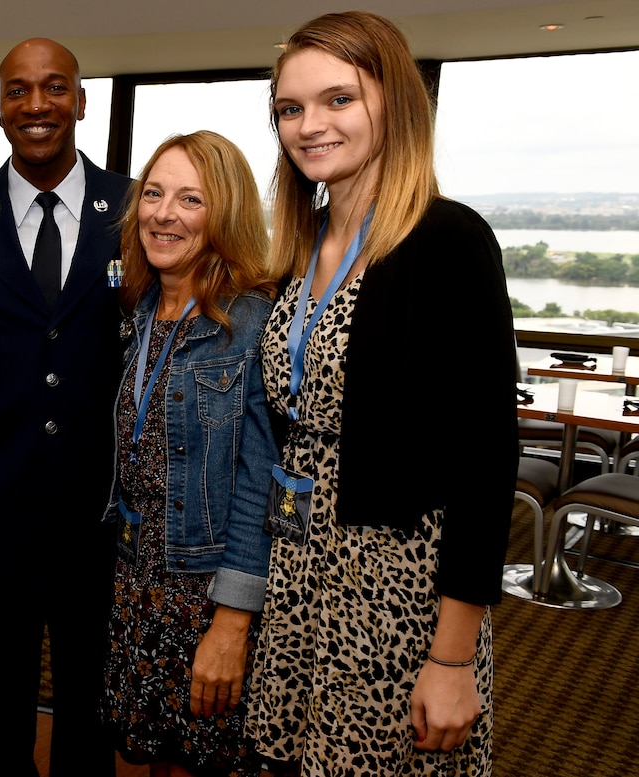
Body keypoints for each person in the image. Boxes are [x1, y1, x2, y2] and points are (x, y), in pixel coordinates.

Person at [245, 11, 517, 777]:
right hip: (299, 569)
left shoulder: (447, 240)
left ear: (393, 103)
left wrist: (453, 657)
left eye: (338, 99)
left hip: (397, 592)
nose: (309, 125)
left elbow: (487, 460)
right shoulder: (303, 242)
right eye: (290, 109)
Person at [0, 38, 131, 777]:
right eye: (18, 90)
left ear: (81, 99)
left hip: (103, 513)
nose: (36, 105)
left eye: (54, 88)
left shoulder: (138, 212)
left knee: (90, 701)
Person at [100, 131, 278, 777]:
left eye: (189, 198)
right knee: (158, 762)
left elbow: (263, 487)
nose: (163, 213)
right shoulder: (141, 309)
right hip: (138, 582)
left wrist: (230, 624)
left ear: (224, 213)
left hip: (205, 595)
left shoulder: (251, 320)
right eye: (153, 193)